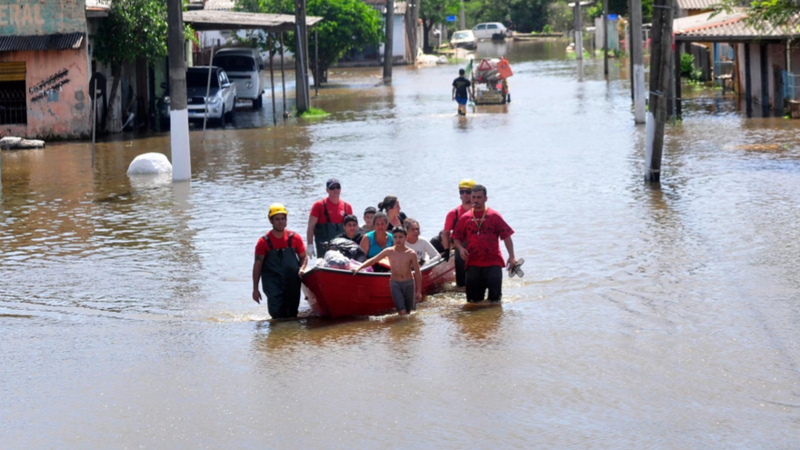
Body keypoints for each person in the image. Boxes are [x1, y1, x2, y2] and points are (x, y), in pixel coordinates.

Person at [452, 185, 516, 303]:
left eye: (479, 197)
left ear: (485, 198)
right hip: (473, 264)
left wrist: (512, 257)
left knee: (495, 302)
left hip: (493, 263)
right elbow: (456, 239)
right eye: (474, 197)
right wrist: (461, 249)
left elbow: (506, 237)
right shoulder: (465, 218)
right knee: (473, 303)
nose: (476, 200)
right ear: (470, 198)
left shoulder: (494, 216)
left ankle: (491, 322)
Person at [252, 203, 309, 318]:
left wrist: (302, 269)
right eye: (277, 219)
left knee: (292, 313)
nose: (280, 221)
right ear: (271, 221)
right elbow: (257, 266)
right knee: (276, 312)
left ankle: (288, 336)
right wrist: (255, 289)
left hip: (292, 279)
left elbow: (303, 257)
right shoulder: (263, 242)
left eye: (283, 218)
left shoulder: (295, 238)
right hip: (272, 281)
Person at [353, 227, 422, 315]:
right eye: (395, 237)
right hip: (395, 284)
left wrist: (419, 291)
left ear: (406, 238)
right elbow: (373, 260)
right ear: (392, 238)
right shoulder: (389, 251)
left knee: (411, 312)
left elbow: (417, 272)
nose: (398, 239)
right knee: (402, 312)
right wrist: (359, 268)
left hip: (409, 283)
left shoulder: (411, 253)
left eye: (400, 237)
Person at [307, 178, 353, 259]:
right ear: (327, 190)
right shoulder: (318, 205)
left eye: (337, 187)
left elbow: (352, 228)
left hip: (342, 246)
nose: (335, 190)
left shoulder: (347, 207)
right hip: (324, 248)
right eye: (332, 188)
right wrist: (310, 245)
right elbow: (311, 227)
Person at [442, 178, 475, 287]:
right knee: (461, 285)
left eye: (468, 192)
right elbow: (446, 232)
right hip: (460, 250)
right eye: (462, 192)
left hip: (477, 250)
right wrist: (446, 250)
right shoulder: (453, 213)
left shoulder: (481, 212)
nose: (465, 194)